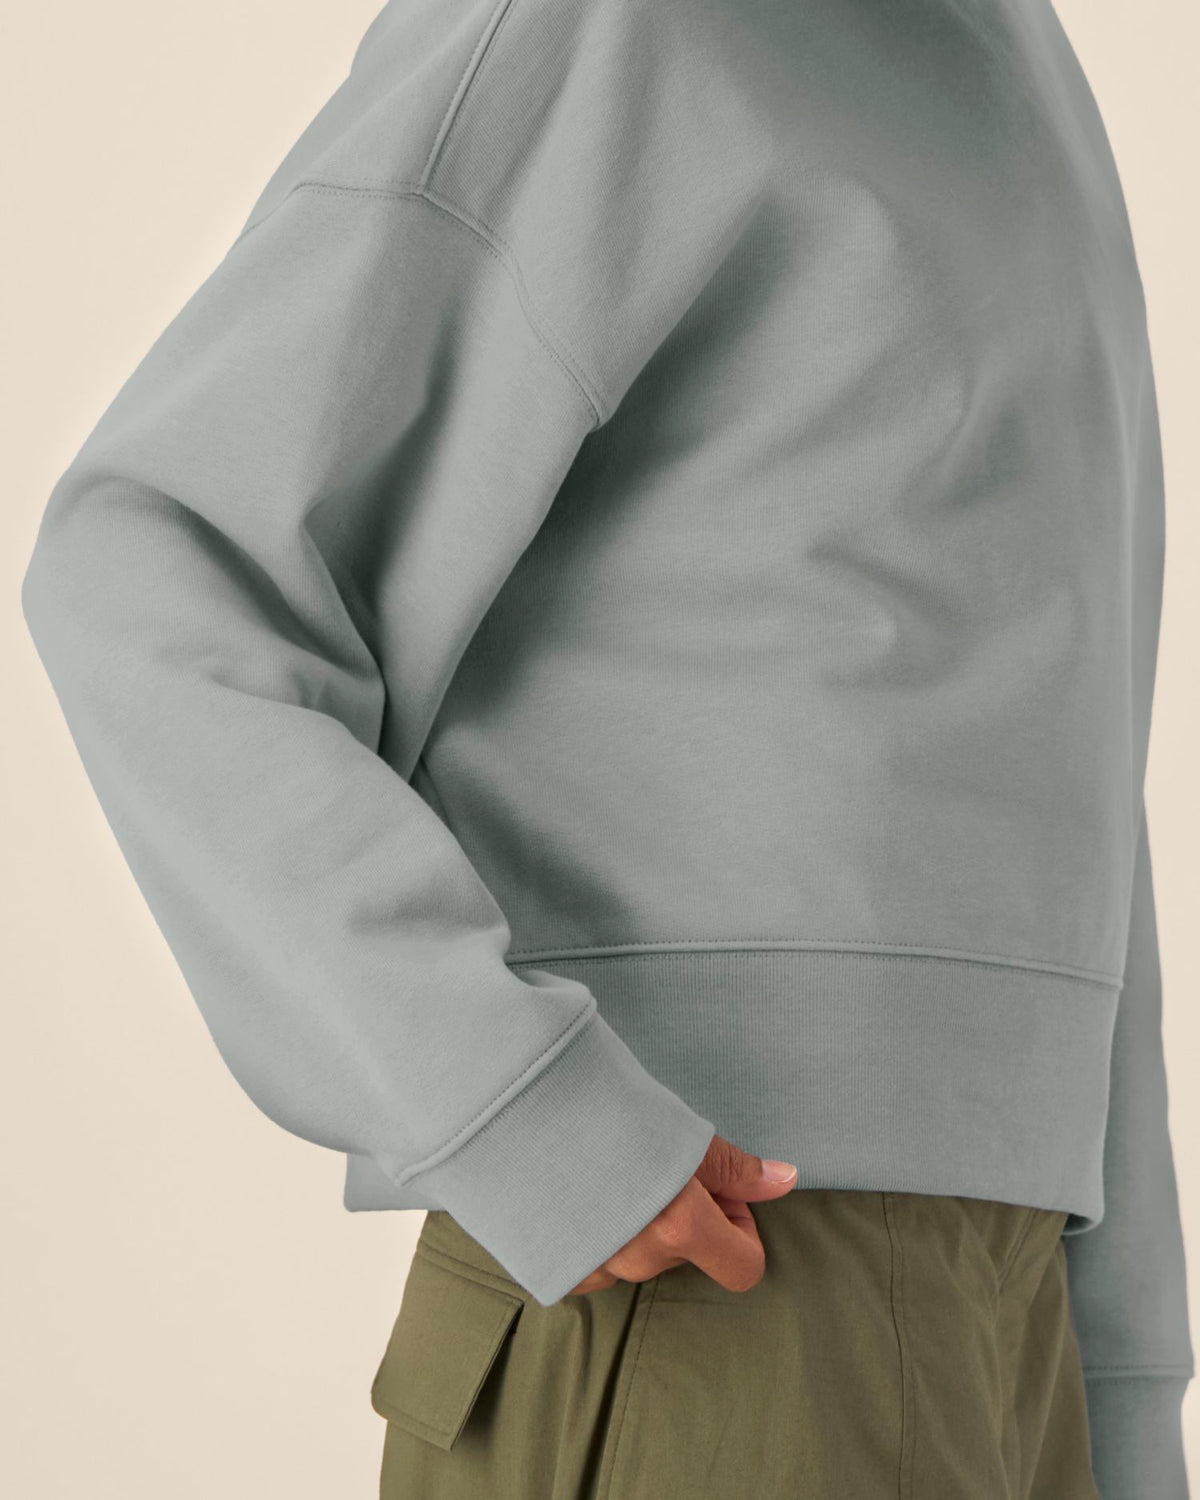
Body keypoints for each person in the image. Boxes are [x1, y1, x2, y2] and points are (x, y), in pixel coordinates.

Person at [20, 0, 1193, 1494]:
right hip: (712, 1297)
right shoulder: (620, 24)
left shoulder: (1020, 63)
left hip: (1015, 1341)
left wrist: (1124, 1383)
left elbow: (1073, 770)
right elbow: (155, 568)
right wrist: (526, 1110)